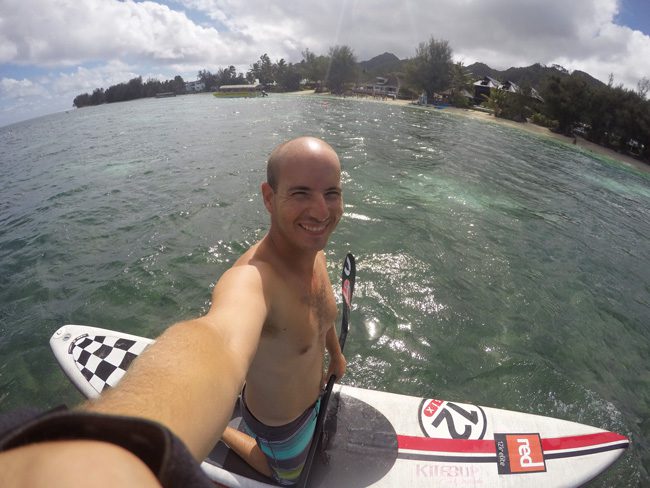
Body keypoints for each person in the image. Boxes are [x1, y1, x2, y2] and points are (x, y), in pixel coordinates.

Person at [0, 136, 346, 487]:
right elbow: (219, 341)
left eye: (331, 193)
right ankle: (226, 432)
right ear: (269, 198)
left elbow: (323, 317)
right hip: (280, 429)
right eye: (301, 193)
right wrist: (110, 455)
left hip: (313, 397)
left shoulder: (312, 249)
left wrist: (335, 354)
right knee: (286, 477)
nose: (321, 211)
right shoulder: (254, 279)